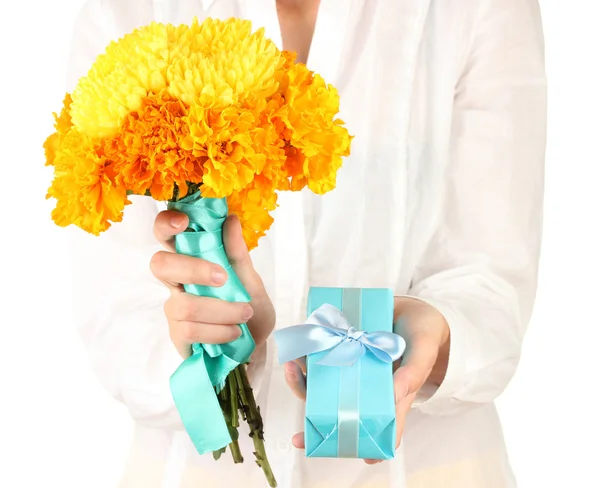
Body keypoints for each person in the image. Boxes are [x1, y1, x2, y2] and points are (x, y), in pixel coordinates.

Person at [67, 0, 547, 487]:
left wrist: (438, 335)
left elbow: (494, 282)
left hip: (428, 470)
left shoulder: (481, 9)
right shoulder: (127, 9)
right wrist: (218, 344)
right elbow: (114, 322)